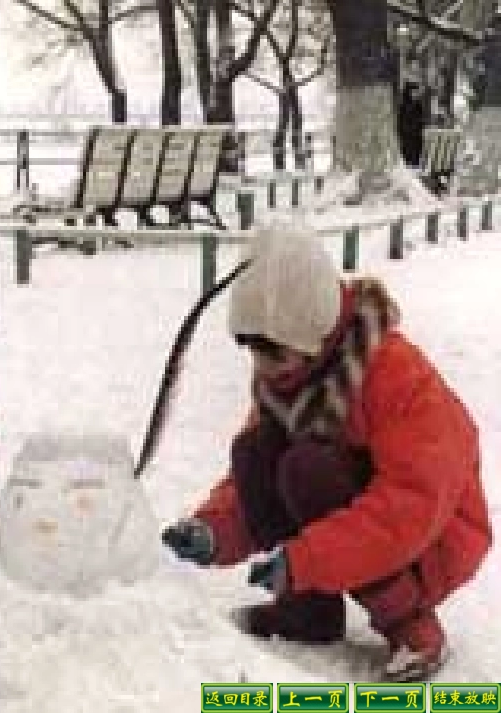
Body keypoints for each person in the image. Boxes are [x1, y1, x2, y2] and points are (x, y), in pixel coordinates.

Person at [162, 224, 491, 683]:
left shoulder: (397, 376)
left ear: (311, 335)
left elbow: (408, 509)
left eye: (273, 353)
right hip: (369, 520)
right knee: (257, 452)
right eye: (252, 351)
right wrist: (212, 530)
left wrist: (306, 561)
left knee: (307, 468)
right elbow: (251, 482)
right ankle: (307, 613)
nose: (261, 367)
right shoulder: (290, 376)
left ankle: (411, 625)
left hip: (433, 537)